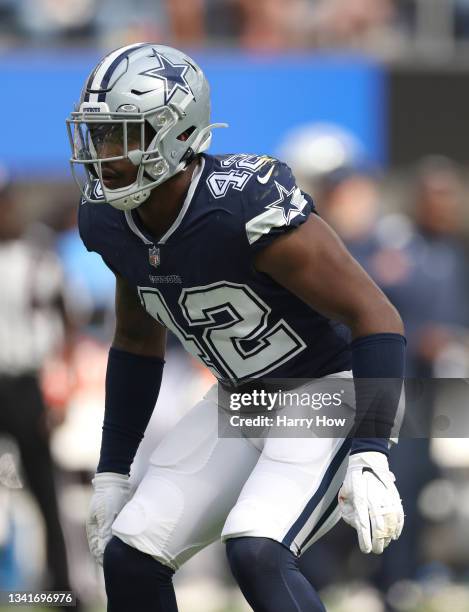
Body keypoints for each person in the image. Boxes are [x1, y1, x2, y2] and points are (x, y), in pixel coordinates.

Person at [66, 43, 406, 612]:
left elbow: (376, 315)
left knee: (258, 550)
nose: (102, 155)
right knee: (131, 556)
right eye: (97, 135)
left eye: (120, 134)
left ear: (173, 133)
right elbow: (135, 342)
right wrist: (112, 473)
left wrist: (370, 449)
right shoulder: (108, 219)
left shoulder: (242, 206)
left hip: (325, 391)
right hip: (240, 401)